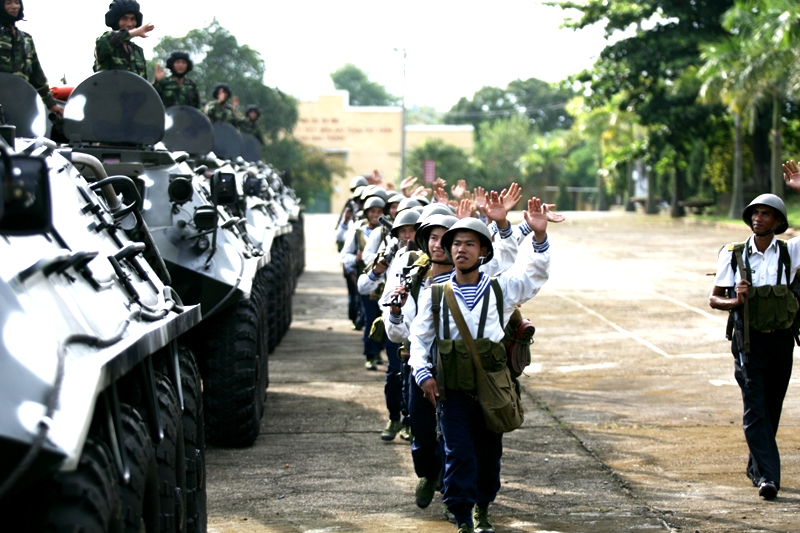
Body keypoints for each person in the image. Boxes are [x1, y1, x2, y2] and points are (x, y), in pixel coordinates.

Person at [408, 197, 551, 533]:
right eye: (455, 244)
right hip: (453, 392)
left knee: (488, 458)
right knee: (458, 455)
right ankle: (462, 516)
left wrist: (540, 237)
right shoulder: (435, 293)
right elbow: (419, 338)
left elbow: (535, 274)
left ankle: (482, 509)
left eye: (469, 244)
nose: (460, 250)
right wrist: (423, 373)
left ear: (483, 252)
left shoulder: (501, 289)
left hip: (492, 390)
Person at [708, 164, 800, 500]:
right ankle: (769, 478)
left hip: (781, 340)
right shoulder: (733, 254)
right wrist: (735, 300)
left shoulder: (790, 252)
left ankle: (756, 466)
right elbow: (714, 298)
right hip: (747, 341)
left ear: (778, 222)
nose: (759, 218)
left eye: (767, 214)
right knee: (755, 408)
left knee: (772, 407)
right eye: (755, 213)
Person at [0, 0, 62, 116]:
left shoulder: (26, 39)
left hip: (19, 103)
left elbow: (37, 75)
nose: (14, 7)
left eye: (17, 3)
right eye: (8, 3)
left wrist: (51, 104)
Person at [94, 0, 153, 79]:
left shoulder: (137, 51)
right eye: (124, 18)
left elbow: (143, 84)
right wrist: (131, 33)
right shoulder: (105, 44)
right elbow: (103, 42)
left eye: (132, 19)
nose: (129, 24)